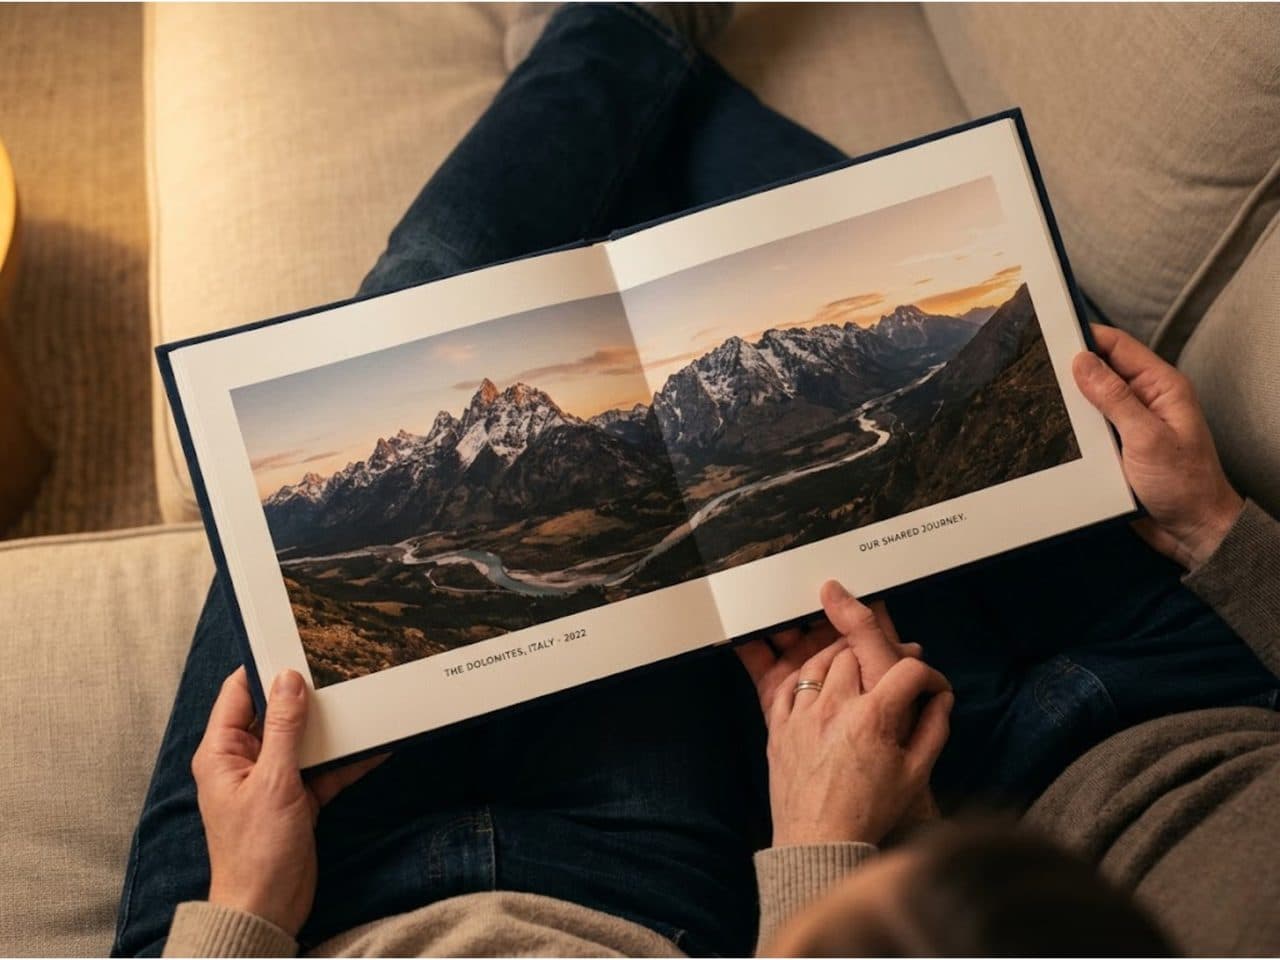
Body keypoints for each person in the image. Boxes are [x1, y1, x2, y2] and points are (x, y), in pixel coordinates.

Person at [112, 4, 1280, 956]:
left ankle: (615, 33)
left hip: (324, 901)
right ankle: (630, 32)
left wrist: (246, 912)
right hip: (1203, 685)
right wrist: (1221, 531)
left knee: (428, 288)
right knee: (860, 251)